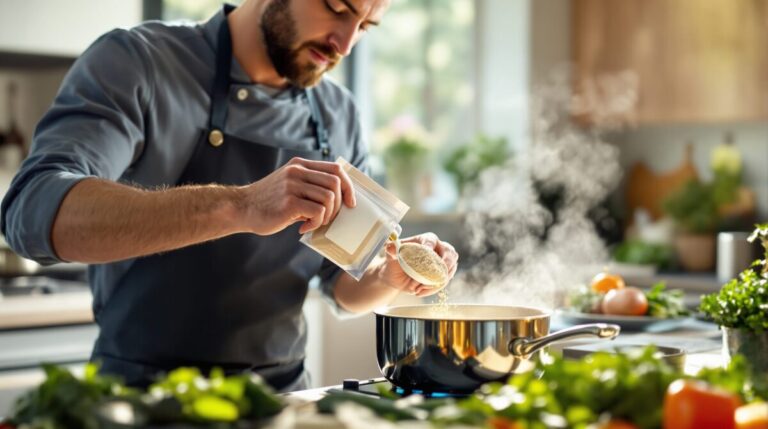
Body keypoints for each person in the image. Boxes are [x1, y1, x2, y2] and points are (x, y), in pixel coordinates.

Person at [0, 0, 458, 391]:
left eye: (365, 26)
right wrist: (242, 205)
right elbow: (33, 212)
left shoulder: (338, 114)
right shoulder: (138, 63)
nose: (344, 43)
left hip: (282, 400)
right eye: (336, 8)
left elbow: (339, 285)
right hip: (141, 400)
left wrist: (387, 277)